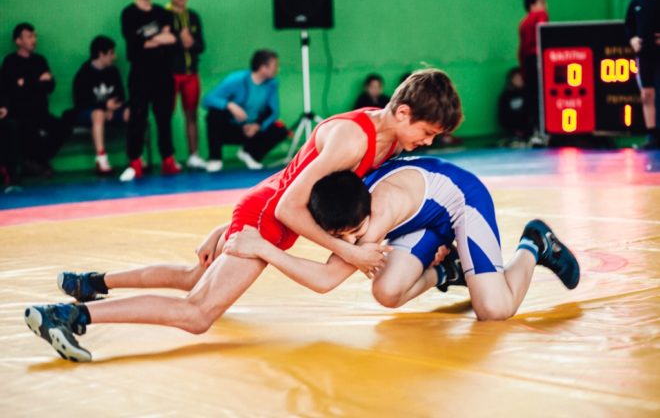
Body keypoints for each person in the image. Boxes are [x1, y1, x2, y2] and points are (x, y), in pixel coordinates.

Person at [24, 69, 463, 362]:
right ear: (402, 112)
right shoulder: (354, 139)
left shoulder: (388, 137)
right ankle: (68, 316)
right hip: (271, 217)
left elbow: (293, 177)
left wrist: (232, 224)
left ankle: (92, 283)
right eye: (427, 132)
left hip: (264, 207)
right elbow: (290, 205)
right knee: (197, 313)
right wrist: (341, 250)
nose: (427, 142)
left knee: (192, 277)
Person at [223, 157, 580, 321]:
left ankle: (534, 244)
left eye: (356, 234)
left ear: (365, 218)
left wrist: (263, 249)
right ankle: (448, 270)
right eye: (342, 237)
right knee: (387, 292)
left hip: (462, 201)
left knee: (495, 310)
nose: (352, 242)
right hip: (421, 219)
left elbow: (324, 281)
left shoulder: (374, 219)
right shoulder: (346, 198)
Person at [119, 0, 181, 182]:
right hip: (140, 74)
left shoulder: (163, 13)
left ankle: (168, 159)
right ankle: (135, 160)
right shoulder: (129, 14)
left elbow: (173, 40)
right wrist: (159, 37)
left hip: (162, 74)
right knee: (138, 117)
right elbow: (135, 45)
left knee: (164, 117)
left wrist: (148, 39)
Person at [1, 23, 72, 177]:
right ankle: (32, 163)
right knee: (26, 131)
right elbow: (13, 89)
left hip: (41, 112)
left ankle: (36, 161)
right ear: (18, 41)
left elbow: (50, 85)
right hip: (20, 113)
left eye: (34, 36)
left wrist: (26, 82)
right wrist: (37, 81)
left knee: (63, 128)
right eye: (29, 36)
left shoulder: (39, 60)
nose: (34, 40)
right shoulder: (10, 62)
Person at [203, 49, 288, 171]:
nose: (277, 69)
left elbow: (273, 111)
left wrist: (257, 125)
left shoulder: (272, 84)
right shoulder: (236, 79)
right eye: (275, 65)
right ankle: (215, 158)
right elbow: (207, 99)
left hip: (252, 130)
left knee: (280, 129)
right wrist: (229, 105)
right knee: (214, 114)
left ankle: (250, 153)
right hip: (230, 128)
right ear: (263, 67)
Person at [72, 36, 129, 174]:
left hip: (112, 110)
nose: (114, 57)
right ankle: (101, 158)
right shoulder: (83, 74)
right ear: (101, 54)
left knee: (131, 112)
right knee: (98, 114)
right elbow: (81, 102)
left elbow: (121, 96)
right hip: (89, 113)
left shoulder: (113, 71)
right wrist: (104, 107)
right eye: (111, 53)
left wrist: (112, 108)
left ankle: (134, 156)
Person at [167, 0, 206, 170]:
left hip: (191, 73)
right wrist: (178, 40)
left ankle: (194, 155)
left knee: (191, 114)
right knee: (166, 116)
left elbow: (201, 46)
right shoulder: (163, 15)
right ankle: (169, 157)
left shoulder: (194, 17)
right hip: (170, 75)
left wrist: (191, 42)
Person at [625, 0, 660, 149]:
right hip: (644, 55)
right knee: (647, 94)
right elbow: (629, 27)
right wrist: (632, 40)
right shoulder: (635, 3)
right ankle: (652, 135)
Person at [518, 0, 549, 140]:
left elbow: (522, 49)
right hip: (539, 59)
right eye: (542, 2)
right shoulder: (541, 15)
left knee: (531, 97)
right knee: (542, 97)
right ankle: (543, 131)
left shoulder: (523, 23)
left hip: (528, 62)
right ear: (532, 5)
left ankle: (532, 131)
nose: (545, 6)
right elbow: (544, 35)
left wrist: (523, 69)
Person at [497, 67, 529, 146]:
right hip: (512, 132)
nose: (519, 80)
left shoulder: (530, 94)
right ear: (511, 80)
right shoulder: (506, 96)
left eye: (521, 78)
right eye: (516, 78)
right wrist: (513, 130)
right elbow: (503, 115)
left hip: (528, 131)